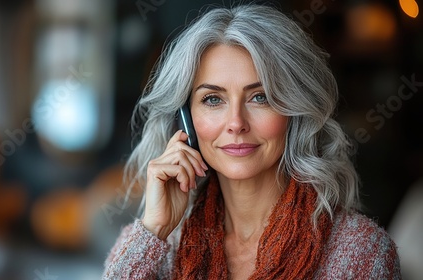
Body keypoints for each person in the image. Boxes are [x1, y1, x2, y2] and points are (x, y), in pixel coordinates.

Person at [103, 4, 401, 279]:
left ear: (293, 111)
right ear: (185, 120)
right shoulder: (155, 244)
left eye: (260, 97)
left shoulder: (360, 252)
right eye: (212, 99)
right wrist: (154, 229)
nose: (236, 123)